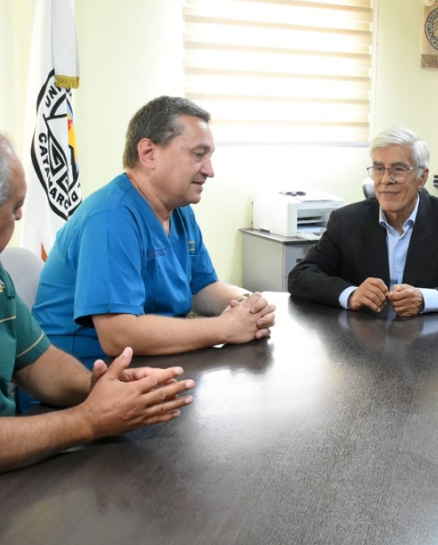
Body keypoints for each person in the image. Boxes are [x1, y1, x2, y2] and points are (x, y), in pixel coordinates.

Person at [0, 129, 194, 473]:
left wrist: (96, 388)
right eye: (15, 207)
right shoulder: (109, 214)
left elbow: (36, 361)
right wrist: (89, 419)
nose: (22, 217)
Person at [32, 96, 275, 367]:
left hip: (151, 367)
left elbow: (202, 287)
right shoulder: (110, 218)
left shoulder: (179, 210)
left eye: (210, 157)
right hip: (83, 383)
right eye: (198, 154)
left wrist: (247, 307)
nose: (209, 170)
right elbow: (117, 334)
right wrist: (224, 329)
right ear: (148, 153)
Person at [287, 127, 438, 316]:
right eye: (379, 169)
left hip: (429, 345)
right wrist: (351, 294)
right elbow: (301, 276)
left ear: (422, 177)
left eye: (398, 169)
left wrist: (426, 299)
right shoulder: (346, 221)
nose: (386, 180)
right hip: (361, 344)